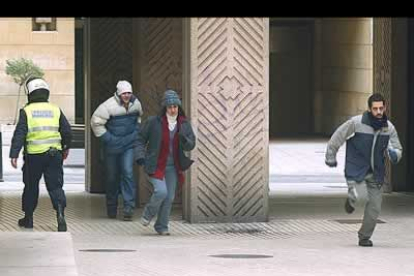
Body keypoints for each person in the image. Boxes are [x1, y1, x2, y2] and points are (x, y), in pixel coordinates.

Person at [325, 93, 403, 247]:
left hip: (376, 173)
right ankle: (352, 199)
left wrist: (395, 155)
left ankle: (364, 237)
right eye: (375, 109)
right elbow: (337, 137)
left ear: (385, 107)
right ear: (369, 109)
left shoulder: (389, 128)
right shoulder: (356, 123)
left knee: (374, 208)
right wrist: (330, 156)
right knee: (361, 197)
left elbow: (397, 148)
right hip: (356, 169)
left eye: (381, 108)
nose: (379, 111)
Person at [10, 77, 72, 232]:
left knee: (31, 186)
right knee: (56, 186)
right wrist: (65, 148)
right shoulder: (55, 109)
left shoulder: (27, 111)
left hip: (33, 157)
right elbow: (67, 131)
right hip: (54, 155)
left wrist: (14, 153)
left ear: (30, 93)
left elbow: (20, 133)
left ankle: (29, 218)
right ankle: (60, 216)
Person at [136, 89, 195, 235]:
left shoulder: (184, 124)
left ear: (178, 107)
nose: (173, 109)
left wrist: (185, 141)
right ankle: (148, 214)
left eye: (175, 106)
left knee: (169, 197)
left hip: (172, 167)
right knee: (161, 192)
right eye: (170, 106)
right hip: (155, 164)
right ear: (165, 108)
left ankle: (162, 226)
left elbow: (191, 144)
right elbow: (140, 139)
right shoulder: (153, 122)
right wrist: (140, 155)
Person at [91, 80, 143, 221]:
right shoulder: (107, 106)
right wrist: (109, 139)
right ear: (119, 94)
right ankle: (111, 208)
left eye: (129, 93)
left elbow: (139, 118)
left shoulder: (136, 104)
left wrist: (136, 133)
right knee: (112, 177)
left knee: (128, 173)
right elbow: (96, 122)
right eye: (124, 93)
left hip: (128, 145)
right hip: (112, 147)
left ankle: (128, 208)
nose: (127, 95)